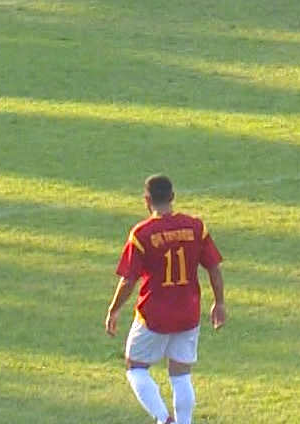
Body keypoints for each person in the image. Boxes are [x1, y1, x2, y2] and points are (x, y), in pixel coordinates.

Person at [105, 175, 226, 424]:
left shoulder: (142, 234)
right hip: (188, 312)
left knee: (136, 367)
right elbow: (213, 267)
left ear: (146, 200)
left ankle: (164, 420)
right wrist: (219, 302)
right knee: (181, 374)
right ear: (172, 197)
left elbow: (129, 280)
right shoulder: (195, 227)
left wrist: (114, 309)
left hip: (154, 315)